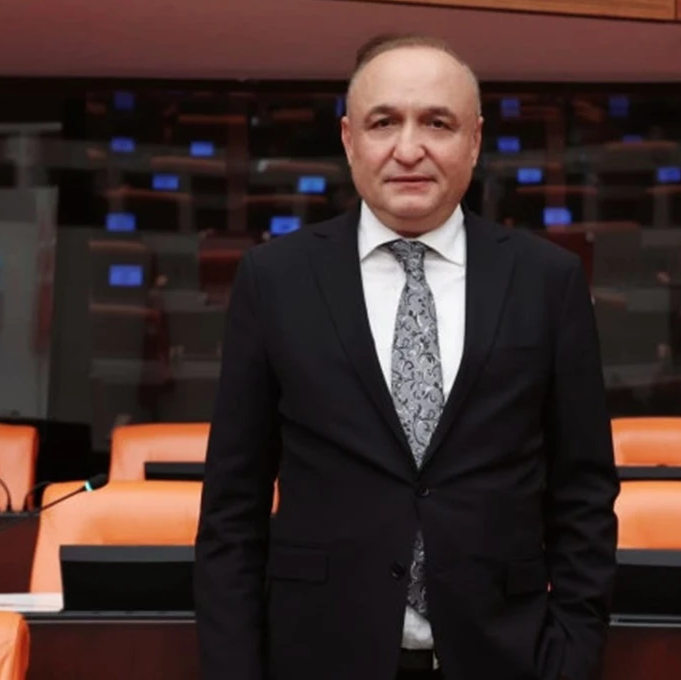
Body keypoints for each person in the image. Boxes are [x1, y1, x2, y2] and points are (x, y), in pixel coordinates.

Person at [195, 33, 618, 680]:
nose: (409, 148)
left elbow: (583, 491)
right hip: (317, 657)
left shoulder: (548, 281)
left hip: (506, 656)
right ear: (349, 139)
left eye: (437, 123)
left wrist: (572, 656)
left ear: (474, 140)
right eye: (384, 122)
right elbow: (233, 504)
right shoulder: (273, 279)